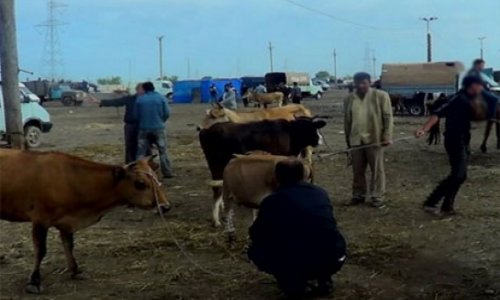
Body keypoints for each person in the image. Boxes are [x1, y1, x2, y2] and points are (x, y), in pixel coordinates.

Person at [248, 159, 346, 299]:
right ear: (303, 175)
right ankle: (324, 279)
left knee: (259, 248)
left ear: (277, 177)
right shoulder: (320, 193)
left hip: (296, 261)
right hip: (334, 257)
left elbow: (256, 233)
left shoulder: (272, 201)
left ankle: (292, 284)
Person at [415, 75, 484, 217]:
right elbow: (437, 114)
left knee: (461, 175)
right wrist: (424, 129)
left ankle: (447, 206)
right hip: (454, 140)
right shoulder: (457, 98)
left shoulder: (474, 100)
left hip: (464, 139)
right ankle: (431, 202)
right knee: (458, 174)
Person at [343, 72, 394, 208]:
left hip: (375, 139)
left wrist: (387, 136)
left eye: (363, 83)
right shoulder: (349, 99)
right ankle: (358, 195)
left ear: (369, 82)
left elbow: (388, 117)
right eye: (357, 83)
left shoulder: (381, 96)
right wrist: (348, 141)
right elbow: (347, 121)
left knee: (377, 170)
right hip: (355, 140)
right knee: (357, 170)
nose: (360, 86)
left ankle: (377, 196)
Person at [135, 81, 173, 178]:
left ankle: (139, 172)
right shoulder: (161, 98)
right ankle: (167, 172)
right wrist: (161, 121)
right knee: (163, 151)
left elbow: (136, 115)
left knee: (141, 152)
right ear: (153, 88)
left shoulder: (140, 99)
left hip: (143, 128)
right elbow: (167, 113)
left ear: (144, 89)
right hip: (158, 128)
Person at [99, 83, 145, 163]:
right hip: (130, 126)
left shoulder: (148, 99)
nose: (143, 91)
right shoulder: (130, 99)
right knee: (130, 145)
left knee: (144, 145)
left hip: (143, 126)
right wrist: (101, 102)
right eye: (141, 89)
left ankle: (144, 164)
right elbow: (116, 102)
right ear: (137, 90)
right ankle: (130, 164)